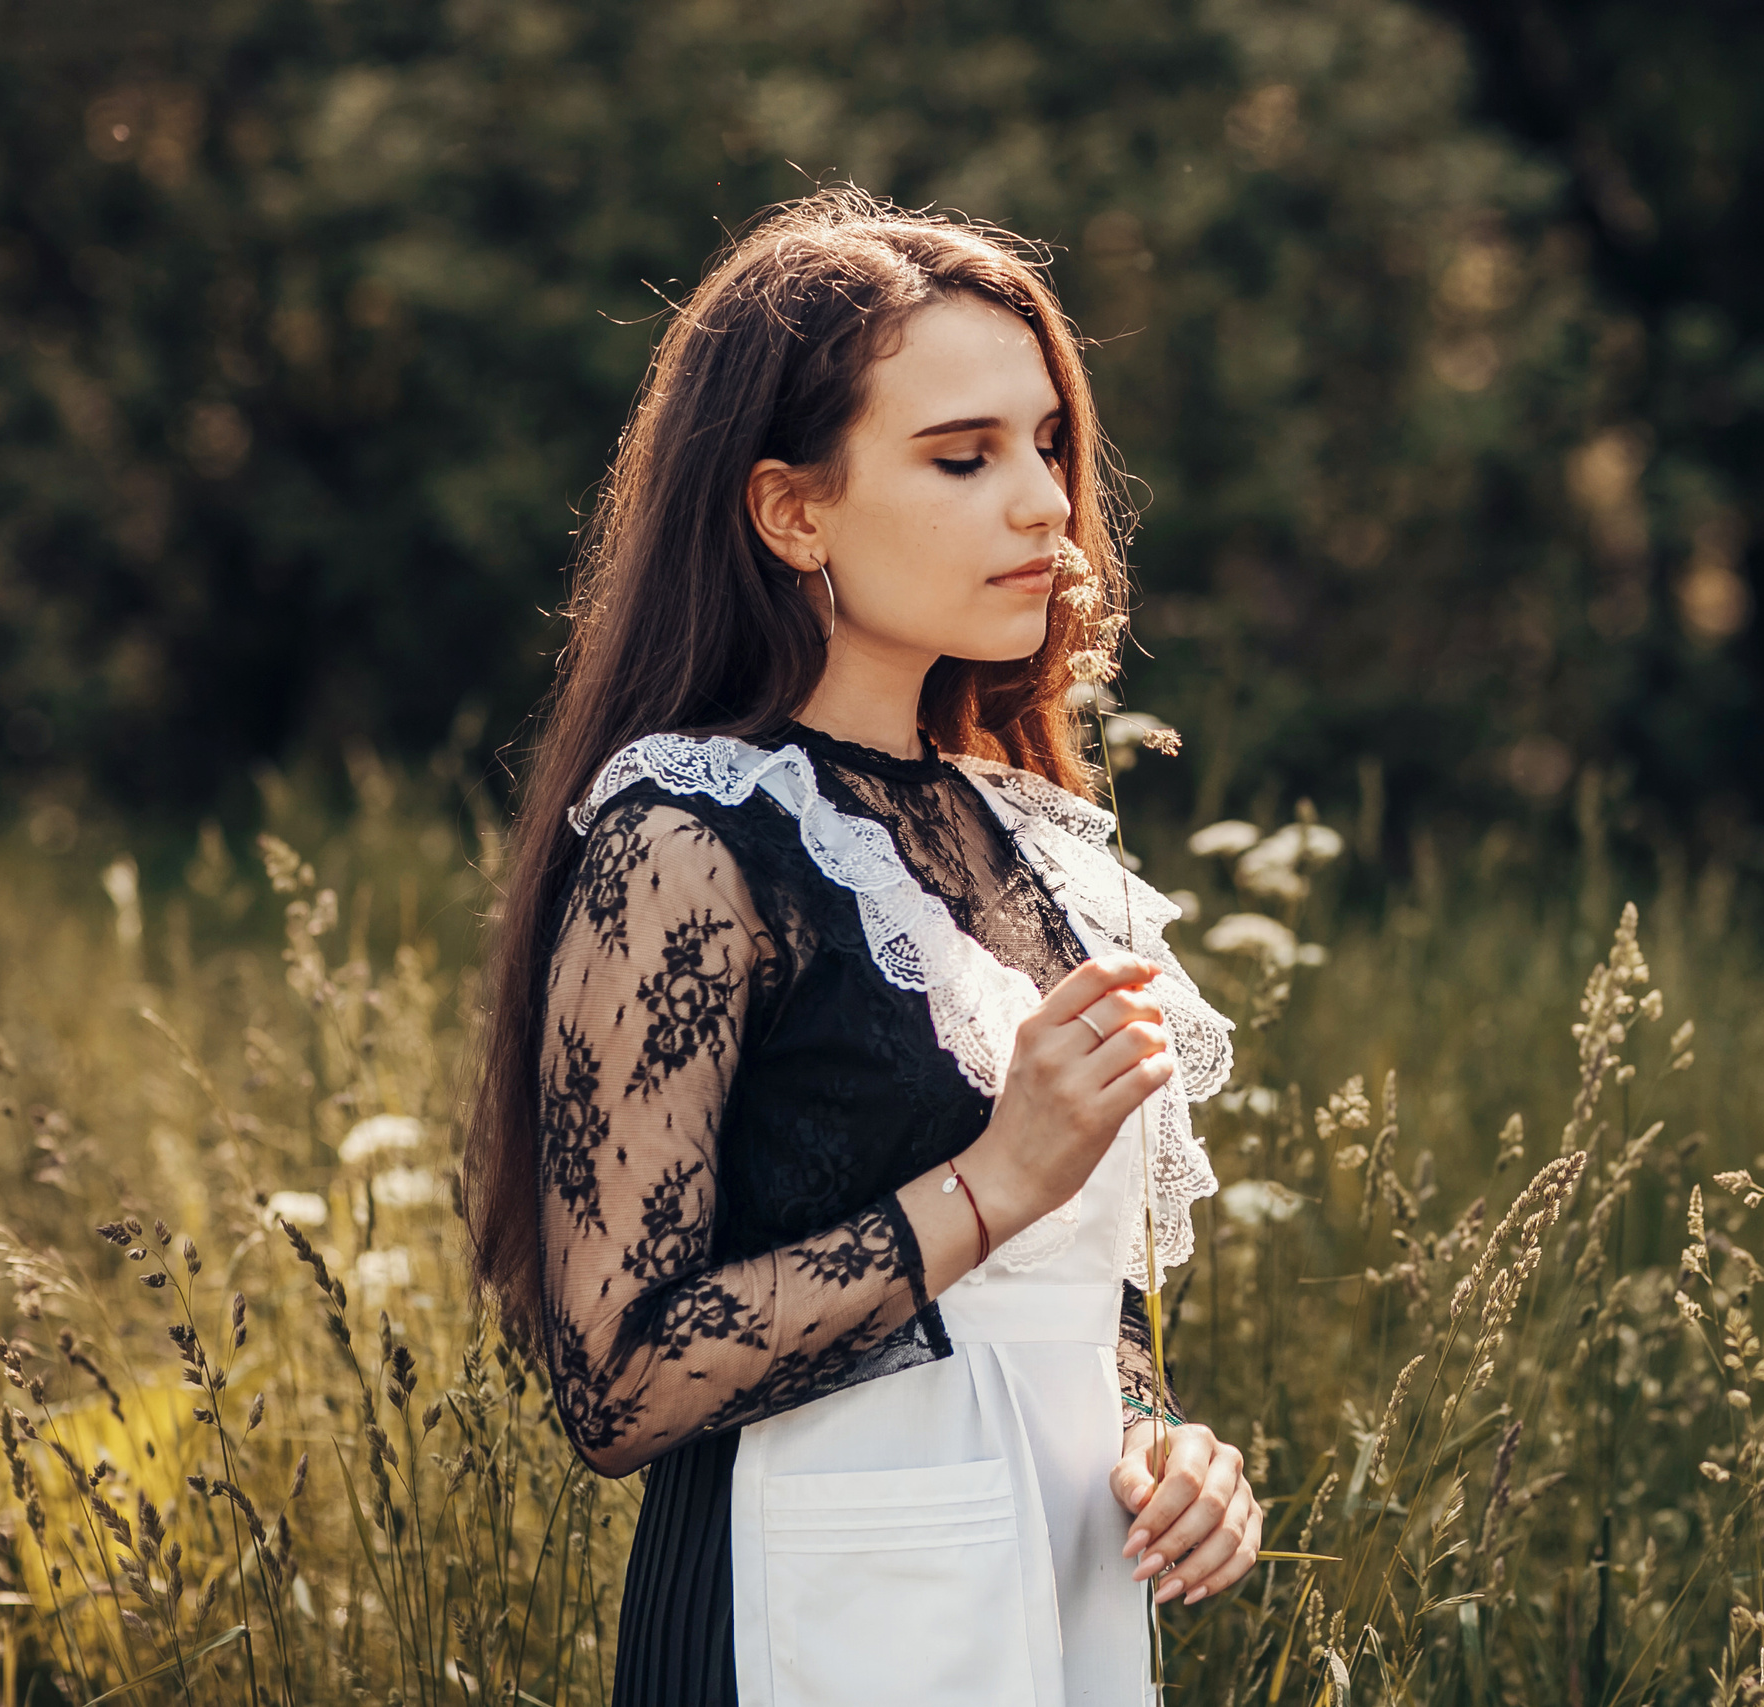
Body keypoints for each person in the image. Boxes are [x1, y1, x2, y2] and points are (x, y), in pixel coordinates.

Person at [463, 187, 1262, 1706]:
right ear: (792, 509)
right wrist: (988, 1182)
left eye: (1046, 445)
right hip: (815, 1612)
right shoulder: (689, 843)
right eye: (963, 457)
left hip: (1067, 1595)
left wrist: (1162, 1444)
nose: (1043, 502)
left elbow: (1081, 1293)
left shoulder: (1032, 838)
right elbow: (618, 1380)